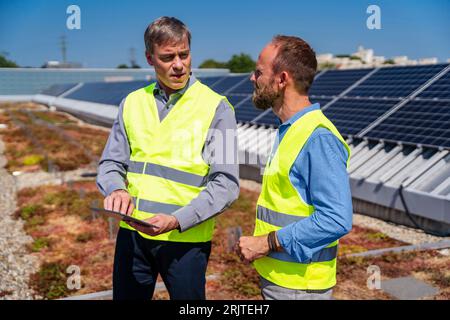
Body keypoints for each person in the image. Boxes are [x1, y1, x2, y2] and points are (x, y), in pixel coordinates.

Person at [96, 16, 239, 300]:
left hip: (185, 242)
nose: (178, 64)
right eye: (167, 57)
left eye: (184, 55)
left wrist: (176, 220)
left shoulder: (217, 108)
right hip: (133, 236)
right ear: (150, 58)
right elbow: (111, 163)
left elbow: (226, 184)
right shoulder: (132, 103)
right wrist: (116, 188)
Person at [237, 35, 353, 300]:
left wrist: (266, 243)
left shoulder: (318, 138)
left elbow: (336, 219)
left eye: (258, 72)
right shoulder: (291, 131)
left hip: (300, 287)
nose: (252, 79)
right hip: (283, 281)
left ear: (281, 79)